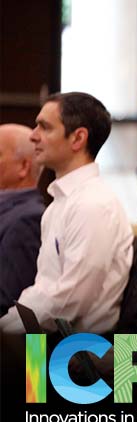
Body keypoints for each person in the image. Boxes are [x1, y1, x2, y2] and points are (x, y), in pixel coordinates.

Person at [0, 92, 133, 334]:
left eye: (44, 127)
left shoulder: (93, 205)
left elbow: (69, 303)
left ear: (78, 138)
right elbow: (42, 290)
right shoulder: (60, 203)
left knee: (18, 367)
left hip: (74, 356)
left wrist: (6, 331)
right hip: (44, 340)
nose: (33, 135)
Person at [0, 124, 44, 316]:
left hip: (25, 342)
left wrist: (35, 348)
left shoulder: (27, 219)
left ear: (23, 167)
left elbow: (10, 301)